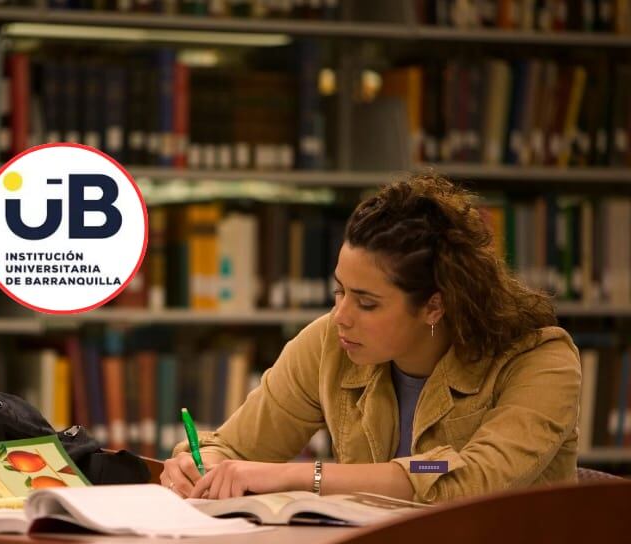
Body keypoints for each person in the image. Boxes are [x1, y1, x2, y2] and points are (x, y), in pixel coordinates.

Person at [161, 174, 581, 504]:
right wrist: (200, 466)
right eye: (339, 291)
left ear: (435, 306)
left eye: (367, 303)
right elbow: (231, 447)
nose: (340, 317)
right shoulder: (330, 343)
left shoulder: (541, 359)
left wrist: (302, 475)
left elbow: (468, 475)